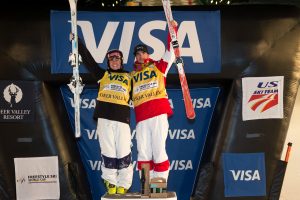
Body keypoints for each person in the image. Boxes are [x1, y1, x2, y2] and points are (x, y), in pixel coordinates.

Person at [77, 38, 133, 195]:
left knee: (123, 150)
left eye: (117, 58)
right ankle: (110, 180)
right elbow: (88, 60)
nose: (114, 61)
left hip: (122, 119)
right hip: (104, 118)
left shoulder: (130, 77)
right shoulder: (103, 74)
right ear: (108, 62)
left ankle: (125, 182)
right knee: (108, 150)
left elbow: (142, 91)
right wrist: (79, 43)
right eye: (111, 59)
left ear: (121, 61)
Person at [131, 21, 177, 183]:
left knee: (159, 152)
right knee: (143, 154)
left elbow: (171, 52)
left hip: (158, 114)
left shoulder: (159, 66)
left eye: (142, 53)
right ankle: (146, 190)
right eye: (137, 54)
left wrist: (172, 30)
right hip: (142, 119)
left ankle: (158, 190)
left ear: (147, 54)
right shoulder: (132, 76)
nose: (140, 56)